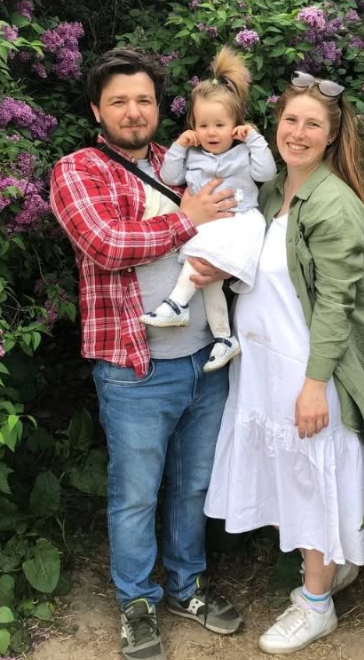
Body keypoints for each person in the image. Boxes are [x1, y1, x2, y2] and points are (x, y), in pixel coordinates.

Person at [49, 48, 243, 660]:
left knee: (192, 487)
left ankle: (187, 586)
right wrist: (187, 219)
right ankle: (136, 601)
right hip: (134, 367)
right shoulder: (77, 170)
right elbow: (107, 244)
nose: (133, 112)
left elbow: (231, 218)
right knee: (135, 494)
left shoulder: (182, 159)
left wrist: (226, 255)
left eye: (144, 100)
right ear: (96, 110)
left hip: (207, 357)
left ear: (159, 107)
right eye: (119, 102)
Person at [200, 71, 364, 654]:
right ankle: (331, 565)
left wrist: (314, 385)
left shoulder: (333, 205)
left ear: (332, 136)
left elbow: (336, 304)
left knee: (313, 480)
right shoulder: (274, 191)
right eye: (290, 119)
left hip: (308, 372)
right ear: (275, 123)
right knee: (294, 477)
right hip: (265, 368)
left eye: (313, 124)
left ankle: (315, 605)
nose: (298, 132)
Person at [140, 46, 277, 373]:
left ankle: (176, 303)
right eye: (203, 125)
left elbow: (267, 174)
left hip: (239, 222)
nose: (211, 132)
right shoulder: (193, 155)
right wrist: (179, 146)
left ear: (235, 125)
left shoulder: (243, 152)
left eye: (219, 124)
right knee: (207, 279)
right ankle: (224, 338)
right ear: (193, 126)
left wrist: (254, 139)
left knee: (200, 261)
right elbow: (170, 177)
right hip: (211, 226)